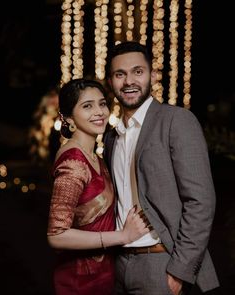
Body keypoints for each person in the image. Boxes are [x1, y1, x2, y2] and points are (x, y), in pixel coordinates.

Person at [103, 41, 220, 295]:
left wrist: (179, 270)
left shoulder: (176, 121)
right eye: (119, 74)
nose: (128, 81)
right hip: (119, 265)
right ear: (110, 80)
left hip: (161, 263)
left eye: (138, 71)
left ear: (153, 75)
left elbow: (201, 201)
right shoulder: (111, 137)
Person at [47, 78, 149, 295]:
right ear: (69, 119)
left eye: (102, 103)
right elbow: (56, 235)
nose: (99, 111)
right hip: (78, 282)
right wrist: (123, 236)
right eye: (87, 106)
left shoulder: (95, 158)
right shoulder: (73, 162)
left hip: (103, 276)